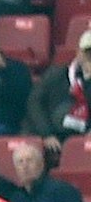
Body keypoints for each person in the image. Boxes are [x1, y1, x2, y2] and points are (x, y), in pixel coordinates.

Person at [26, 28, 91, 163]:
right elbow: (35, 102)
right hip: (52, 133)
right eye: (88, 53)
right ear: (78, 53)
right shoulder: (56, 74)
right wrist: (47, 134)